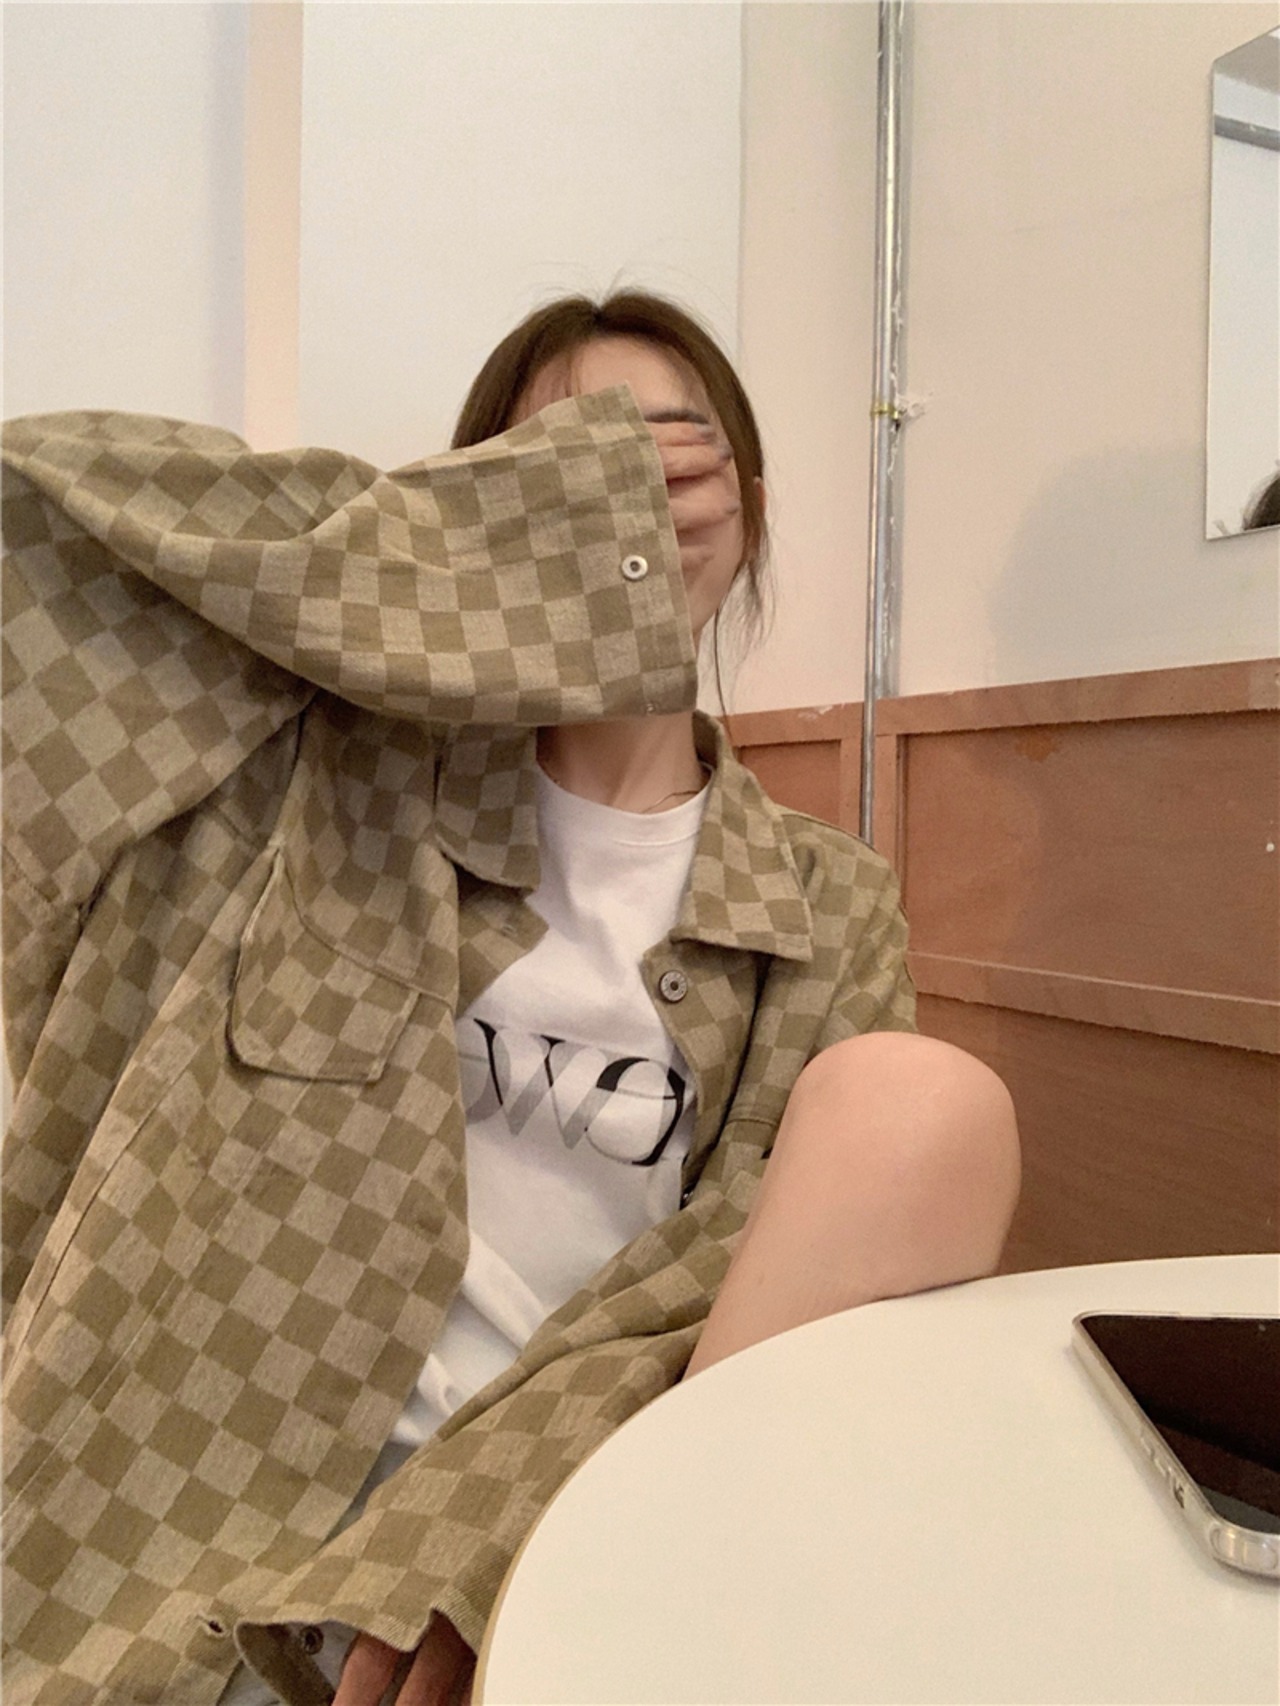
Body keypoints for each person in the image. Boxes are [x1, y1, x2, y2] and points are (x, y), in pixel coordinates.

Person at [1, 291, 1019, 1706]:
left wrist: (495, 1527)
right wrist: (499, 558)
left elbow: (750, 1301)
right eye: (570, 457)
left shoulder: (827, 907)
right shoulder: (309, 779)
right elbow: (31, 534)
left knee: (929, 1096)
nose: (635, 489)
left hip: (559, 1540)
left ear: (751, 510)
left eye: (677, 446)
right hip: (185, 1544)